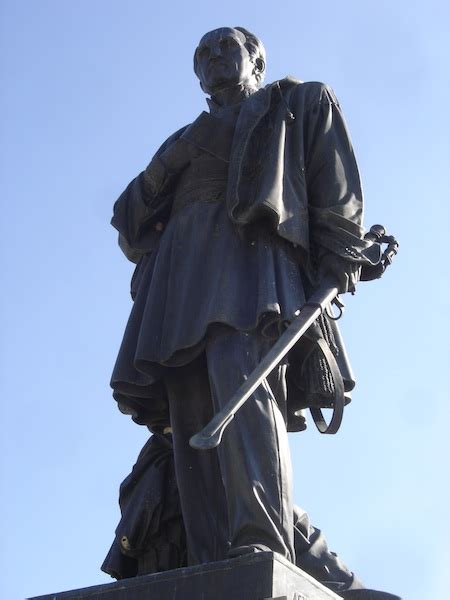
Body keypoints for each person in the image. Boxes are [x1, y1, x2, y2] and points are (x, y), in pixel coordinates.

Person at [109, 27, 400, 599]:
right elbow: (129, 221)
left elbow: (334, 185)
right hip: (181, 281)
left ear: (257, 60)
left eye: (226, 48)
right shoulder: (182, 139)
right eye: (203, 54)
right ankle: (212, 554)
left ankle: (258, 540)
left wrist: (341, 254)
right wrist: (167, 169)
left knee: (244, 385)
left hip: (250, 269)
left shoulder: (296, 102)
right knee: (192, 416)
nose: (214, 59)